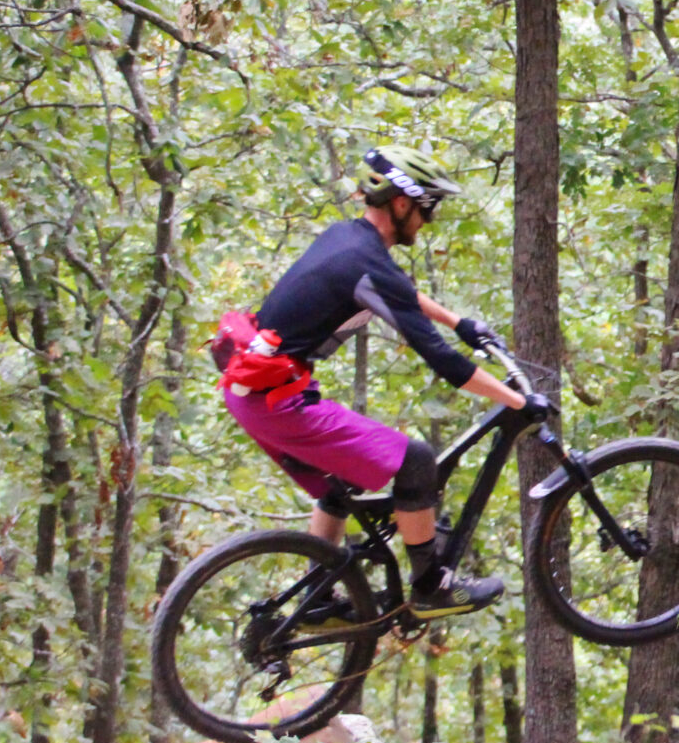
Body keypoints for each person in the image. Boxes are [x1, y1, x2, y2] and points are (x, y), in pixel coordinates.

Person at [220, 144, 522, 619]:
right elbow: (444, 362)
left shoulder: (347, 238)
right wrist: (517, 402)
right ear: (401, 204)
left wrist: (460, 321)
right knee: (416, 461)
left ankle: (317, 600)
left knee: (338, 486)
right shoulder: (364, 261)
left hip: (251, 393)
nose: (429, 221)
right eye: (428, 209)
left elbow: (396, 288)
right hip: (278, 402)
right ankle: (430, 587)